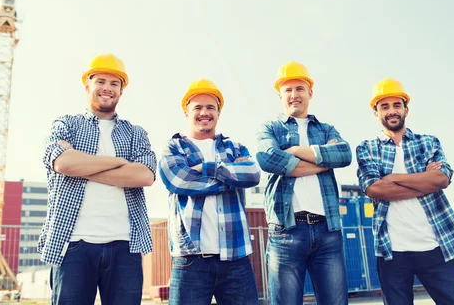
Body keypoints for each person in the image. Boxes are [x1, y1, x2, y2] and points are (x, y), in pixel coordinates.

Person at [40, 53, 157, 305]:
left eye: (114, 83)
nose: (107, 88)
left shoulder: (136, 133)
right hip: (73, 243)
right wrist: (119, 163)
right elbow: (62, 162)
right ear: (87, 86)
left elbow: (145, 175)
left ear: (121, 91)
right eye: (101, 81)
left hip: (125, 244)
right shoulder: (66, 124)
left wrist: (83, 166)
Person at [356, 78, 454, 305]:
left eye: (397, 105)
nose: (392, 111)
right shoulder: (367, 148)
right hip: (392, 251)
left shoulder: (428, 142)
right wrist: (422, 181)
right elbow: (373, 188)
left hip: (435, 245)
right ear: (376, 112)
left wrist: (395, 178)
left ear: (406, 109)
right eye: (384, 106)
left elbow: (441, 179)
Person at [256, 61, 352, 305]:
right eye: (288, 90)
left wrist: (296, 150)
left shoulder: (326, 129)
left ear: (310, 92)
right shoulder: (271, 128)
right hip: (287, 231)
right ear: (280, 95)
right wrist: (323, 161)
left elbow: (344, 154)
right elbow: (267, 158)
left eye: (299, 88)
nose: (294, 95)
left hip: (328, 230)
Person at [159, 79, 261, 305]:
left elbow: (252, 174)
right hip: (190, 261)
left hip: (236, 259)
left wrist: (205, 168)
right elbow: (177, 180)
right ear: (186, 112)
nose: (204, 112)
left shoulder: (233, 147)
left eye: (210, 107)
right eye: (197, 107)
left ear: (218, 112)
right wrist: (230, 180)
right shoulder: (174, 147)